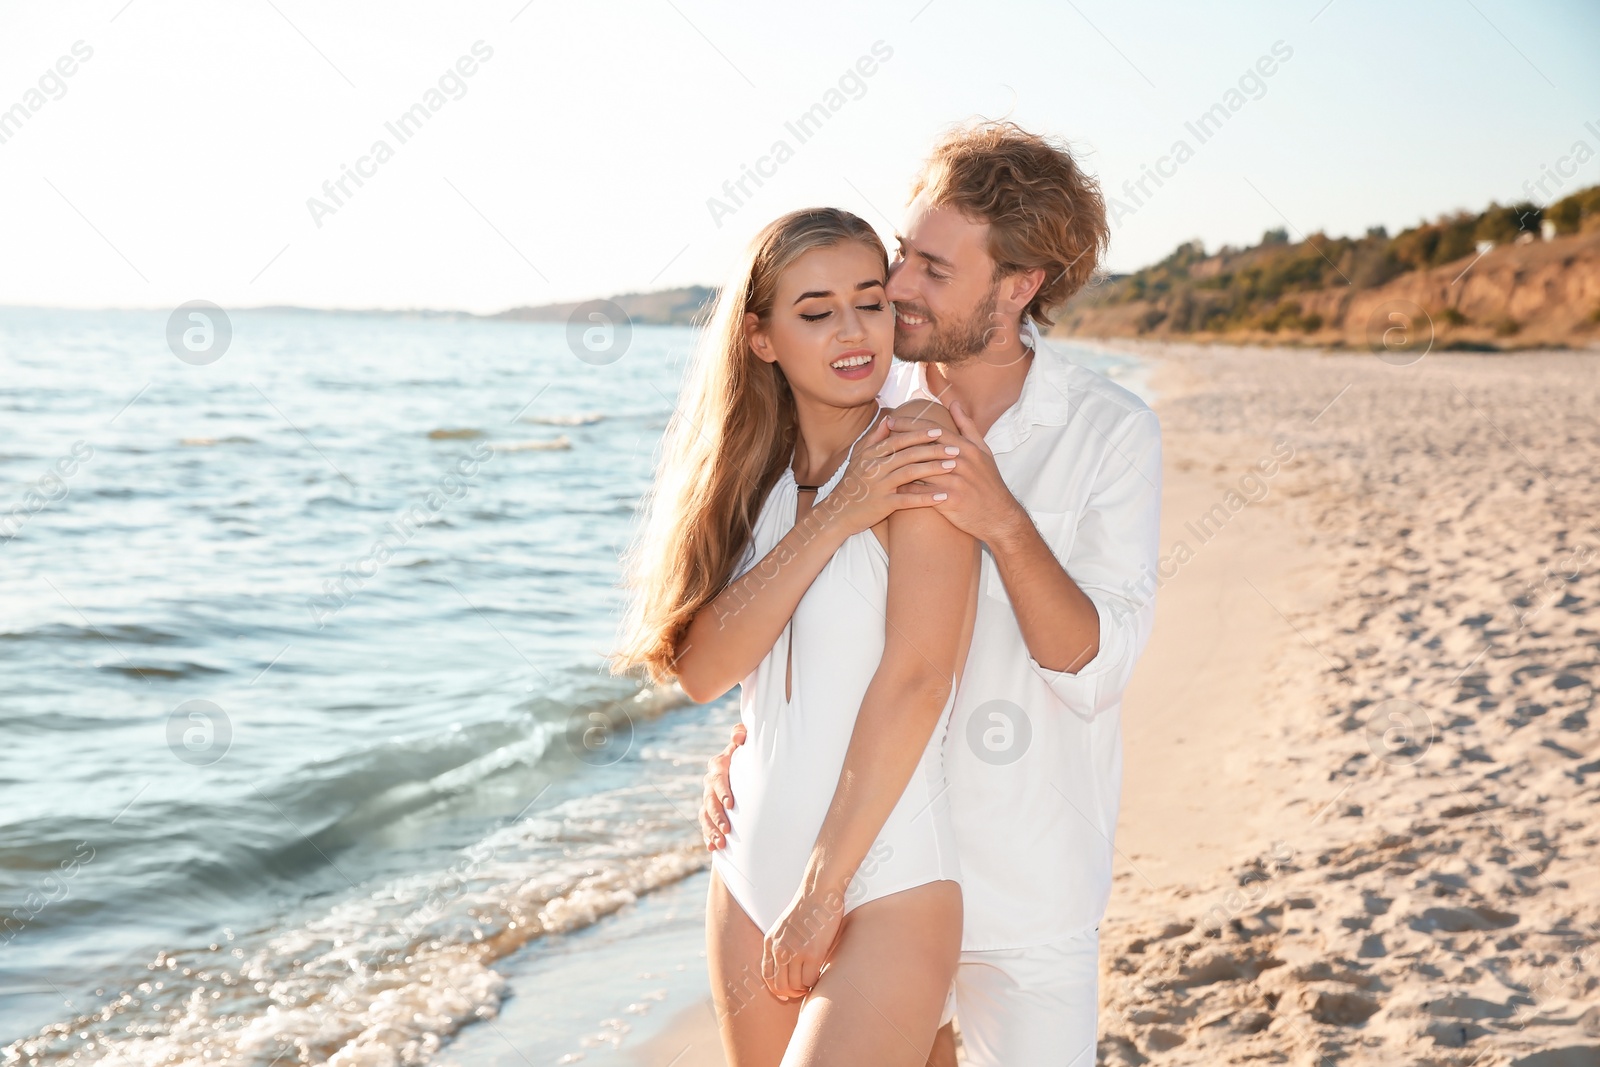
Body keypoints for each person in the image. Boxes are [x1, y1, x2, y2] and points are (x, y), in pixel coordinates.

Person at [699, 121, 1164, 1066]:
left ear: (1019, 285)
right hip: (859, 863)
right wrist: (754, 737)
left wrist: (1002, 517)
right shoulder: (857, 389)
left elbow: (1096, 664)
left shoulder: (1109, 433)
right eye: (904, 254)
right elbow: (813, 615)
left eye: (933, 270)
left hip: (1020, 886)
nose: (899, 285)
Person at [613, 207, 983, 1065]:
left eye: (870, 301)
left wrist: (822, 891)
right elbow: (705, 674)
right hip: (745, 872)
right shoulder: (752, 483)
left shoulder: (918, 444)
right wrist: (836, 515)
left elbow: (919, 677)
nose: (854, 333)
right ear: (762, 337)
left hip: (884, 879)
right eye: (816, 313)